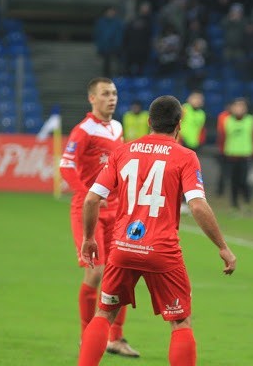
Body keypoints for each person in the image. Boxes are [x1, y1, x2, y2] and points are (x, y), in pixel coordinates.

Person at [78, 95, 236, 366]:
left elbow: (92, 198)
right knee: (180, 320)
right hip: (162, 250)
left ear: (149, 122)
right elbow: (197, 206)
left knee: (105, 313)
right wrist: (222, 246)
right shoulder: (185, 156)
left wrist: (89, 238)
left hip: (123, 247)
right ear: (179, 125)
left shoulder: (122, 151)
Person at [59, 77, 139, 357]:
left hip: (117, 211)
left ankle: (115, 338)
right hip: (88, 209)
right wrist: (89, 193)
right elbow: (66, 166)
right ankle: (87, 337)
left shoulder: (117, 127)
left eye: (114, 93)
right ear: (92, 98)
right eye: (105, 94)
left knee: (121, 272)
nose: (112, 98)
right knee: (95, 273)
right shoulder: (83, 130)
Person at [220, 98, 253, 210]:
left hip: (245, 155)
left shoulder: (250, 120)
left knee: (243, 181)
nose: (239, 109)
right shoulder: (227, 120)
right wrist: (223, 151)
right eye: (237, 106)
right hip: (231, 155)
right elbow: (222, 137)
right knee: (233, 181)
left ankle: (247, 202)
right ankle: (234, 205)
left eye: (241, 107)